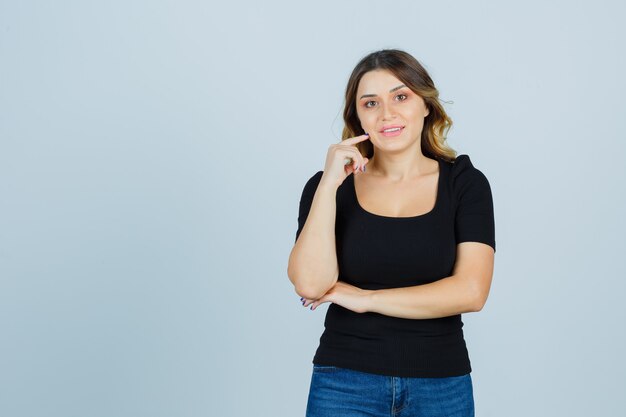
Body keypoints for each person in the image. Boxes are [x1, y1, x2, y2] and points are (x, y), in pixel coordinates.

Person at [287, 48, 496, 417]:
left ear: (426, 105)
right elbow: (310, 284)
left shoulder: (464, 184)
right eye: (370, 103)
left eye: (401, 96)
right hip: (343, 383)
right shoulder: (328, 188)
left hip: (440, 385)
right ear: (358, 116)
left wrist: (366, 299)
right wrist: (329, 185)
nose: (387, 114)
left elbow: (471, 291)